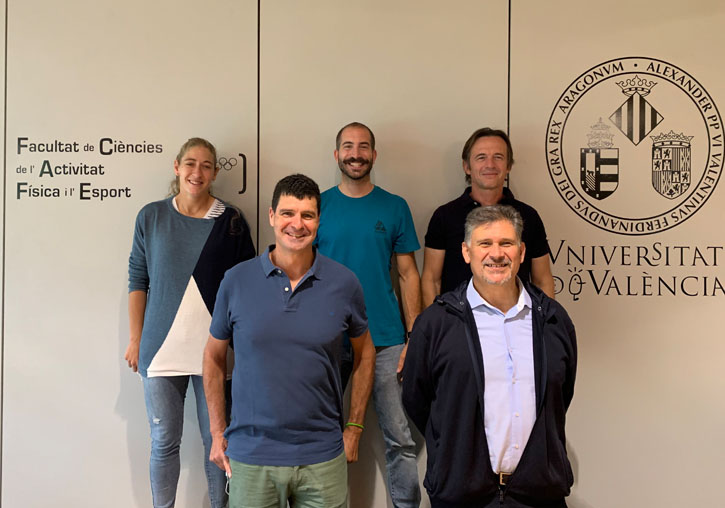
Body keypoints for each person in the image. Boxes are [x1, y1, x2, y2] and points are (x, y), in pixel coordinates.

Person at [203, 174, 376, 508]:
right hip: (252, 455)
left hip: (322, 456)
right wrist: (216, 432)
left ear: (318, 221)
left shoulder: (344, 283)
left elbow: (365, 354)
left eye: (307, 215)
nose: (297, 224)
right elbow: (213, 357)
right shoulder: (236, 281)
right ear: (271, 216)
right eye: (287, 213)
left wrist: (354, 428)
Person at [403, 205, 577, 508]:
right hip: (462, 495)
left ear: (522, 252)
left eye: (506, 244)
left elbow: (562, 392)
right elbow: (418, 400)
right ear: (466, 252)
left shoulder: (552, 319)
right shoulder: (436, 322)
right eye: (485, 244)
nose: (496, 254)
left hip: (539, 495)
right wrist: (453, 454)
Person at [125, 137, 256, 508]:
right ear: (177, 166)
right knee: (164, 441)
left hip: (213, 351)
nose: (197, 172)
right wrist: (136, 339)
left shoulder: (230, 220)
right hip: (159, 348)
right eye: (191, 164)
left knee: (218, 441)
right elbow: (139, 279)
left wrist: (241, 349)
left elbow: (246, 287)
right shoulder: (151, 216)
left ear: (215, 172)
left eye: (206, 165)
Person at [316, 122, 422, 507]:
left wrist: (414, 336)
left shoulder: (395, 207)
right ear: (337, 155)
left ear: (374, 155)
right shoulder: (318, 205)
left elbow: (409, 274)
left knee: (401, 439)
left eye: (363, 147)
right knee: (322, 438)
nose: (355, 153)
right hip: (325, 339)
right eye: (348, 146)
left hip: (386, 339)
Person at [422, 128, 555, 307]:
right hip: (457, 324)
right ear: (467, 167)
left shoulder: (528, 216)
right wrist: (436, 326)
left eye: (498, 157)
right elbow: (431, 279)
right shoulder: (444, 216)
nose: (490, 165)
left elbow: (543, 280)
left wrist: (548, 328)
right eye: (481, 157)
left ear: (508, 166)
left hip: (516, 321)